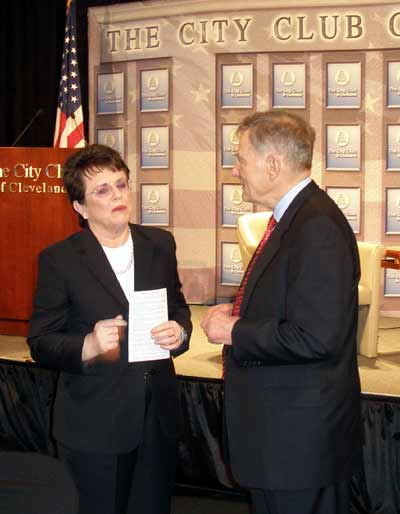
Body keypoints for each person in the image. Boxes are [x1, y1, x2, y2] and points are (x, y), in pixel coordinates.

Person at [201, 111, 362, 514]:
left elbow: (316, 337)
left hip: (299, 446)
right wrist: (243, 311)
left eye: (240, 158)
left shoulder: (316, 226)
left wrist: (235, 330)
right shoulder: (297, 217)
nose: (234, 169)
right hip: (284, 441)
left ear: (273, 165)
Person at [28, 144, 192, 514]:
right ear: (81, 208)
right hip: (95, 421)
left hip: (157, 417)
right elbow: (41, 341)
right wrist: (85, 345)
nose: (117, 195)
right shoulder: (60, 260)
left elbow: (178, 307)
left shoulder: (159, 244)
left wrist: (179, 333)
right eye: (102, 190)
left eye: (121, 184)